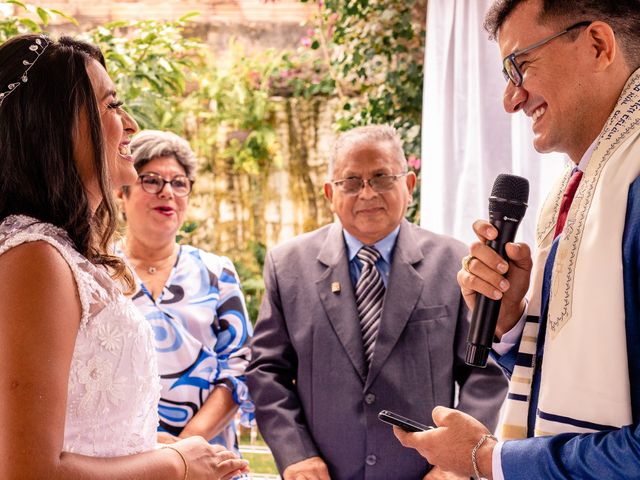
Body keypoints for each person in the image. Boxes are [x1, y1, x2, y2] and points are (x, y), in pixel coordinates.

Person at [393, 1, 640, 479]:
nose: (511, 99)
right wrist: (510, 325)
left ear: (597, 45)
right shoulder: (579, 188)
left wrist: (489, 460)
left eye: (520, 66)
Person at [0, 34, 248, 479]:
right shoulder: (33, 258)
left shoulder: (60, 253)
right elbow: (29, 471)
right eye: (112, 105)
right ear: (56, 125)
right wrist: (177, 464)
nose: (130, 123)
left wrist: (157, 444)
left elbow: (81, 428)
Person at [245, 124, 508, 480]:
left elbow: (484, 372)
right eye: (350, 182)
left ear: (409, 185)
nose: (367, 194)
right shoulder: (287, 266)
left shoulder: (454, 263)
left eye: (382, 178)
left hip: (426, 474)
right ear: (329, 193)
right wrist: (295, 454)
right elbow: (267, 371)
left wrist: (457, 461)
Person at [115, 130, 254, 455]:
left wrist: (186, 446)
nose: (168, 192)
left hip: (207, 456)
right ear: (122, 193)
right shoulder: (98, 270)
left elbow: (239, 367)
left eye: (179, 183)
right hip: (122, 458)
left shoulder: (217, 272)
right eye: (151, 180)